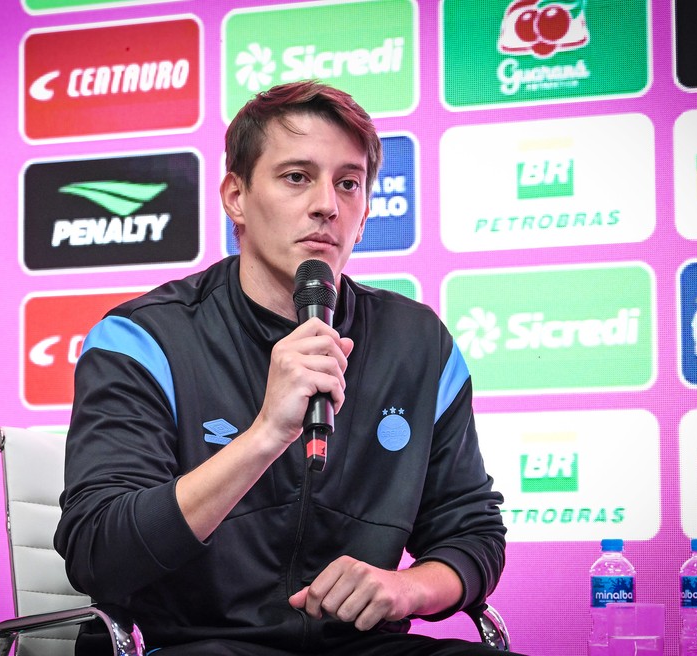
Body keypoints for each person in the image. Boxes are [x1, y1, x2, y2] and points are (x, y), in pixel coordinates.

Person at [54, 80, 518, 656]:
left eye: (348, 183)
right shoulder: (142, 339)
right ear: (236, 197)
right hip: (194, 645)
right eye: (297, 177)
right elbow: (99, 553)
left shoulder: (420, 344)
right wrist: (266, 434)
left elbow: (471, 531)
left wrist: (405, 589)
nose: (328, 203)